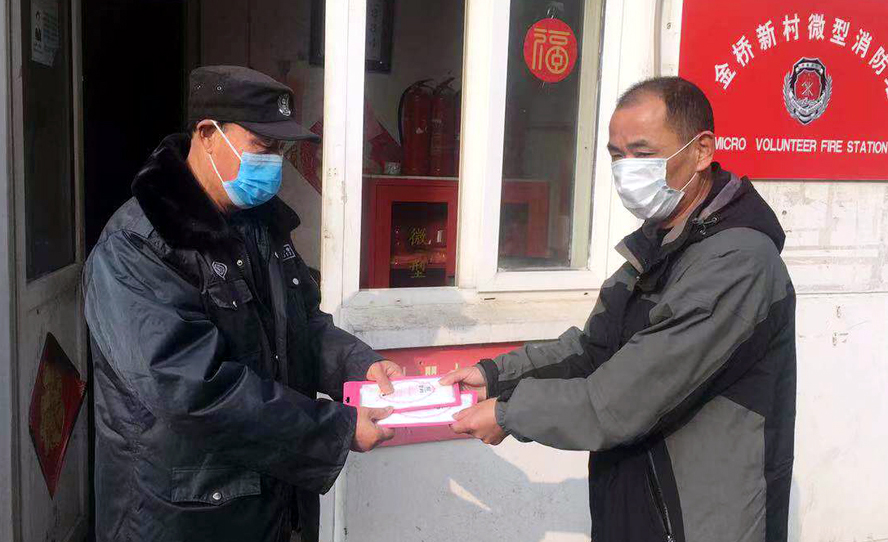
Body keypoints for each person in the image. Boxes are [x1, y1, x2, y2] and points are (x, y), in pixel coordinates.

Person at [443, 76, 796, 542]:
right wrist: (494, 376)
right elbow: (593, 350)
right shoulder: (660, 243)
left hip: (699, 522)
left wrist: (510, 413)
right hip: (635, 505)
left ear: (702, 150)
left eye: (643, 153)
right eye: (616, 155)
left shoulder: (737, 263)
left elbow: (620, 401)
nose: (627, 170)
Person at [83, 66, 402, 542]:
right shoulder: (140, 244)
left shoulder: (262, 226)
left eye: (280, 150)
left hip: (269, 506)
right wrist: (333, 431)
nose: (274, 163)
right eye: (262, 146)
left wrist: (358, 364)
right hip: (183, 516)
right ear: (208, 135)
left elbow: (301, 325)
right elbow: (190, 389)